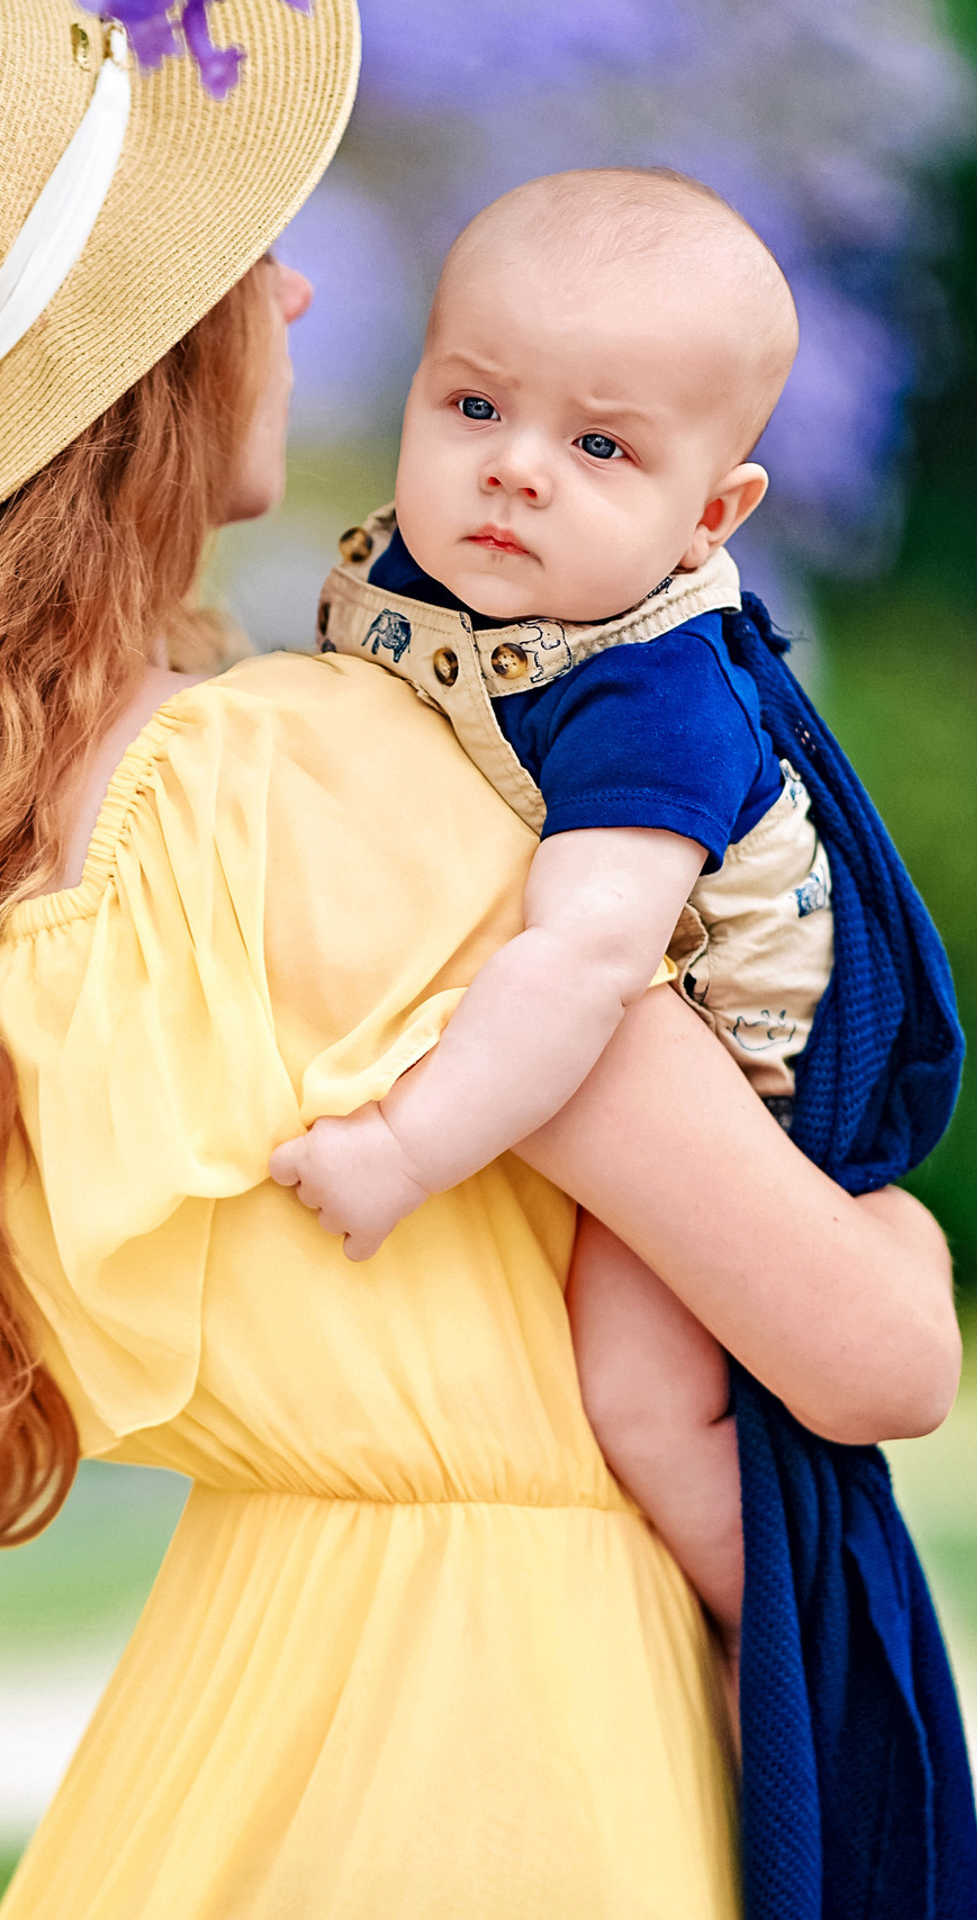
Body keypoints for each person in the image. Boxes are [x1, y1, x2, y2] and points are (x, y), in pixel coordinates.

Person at [0, 4, 961, 1913]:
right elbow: (872, 1357)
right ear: (149, 361)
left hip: (237, 1710)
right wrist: (900, 1238)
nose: (305, 292)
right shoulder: (307, 787)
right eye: (242, 260)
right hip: (498, 1753)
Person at [269, 169, 831, 1659]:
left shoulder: (657, 697)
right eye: (473, 408)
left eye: (599, 445)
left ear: (709, 514)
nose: (517, 470)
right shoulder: (415, 570)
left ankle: (773, 1667)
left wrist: (406, 1149)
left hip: (707, 1040)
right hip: (537, 1003)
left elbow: (588, 963)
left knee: (644, 1399)